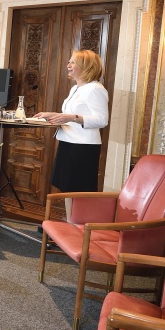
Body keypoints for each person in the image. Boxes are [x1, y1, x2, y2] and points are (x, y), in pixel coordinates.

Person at [33, 49, 109, 216]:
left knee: (78, 192)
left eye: (73, 62)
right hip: (69, 143)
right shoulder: (75, 89)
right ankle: (71, 224)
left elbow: (102, 120)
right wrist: (53, 115)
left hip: (82, 148)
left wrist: (72, 117)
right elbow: (69, 115)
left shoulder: (95, 88)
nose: (68, 65)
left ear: (85, 66)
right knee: (67, 188)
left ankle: (79, 230)